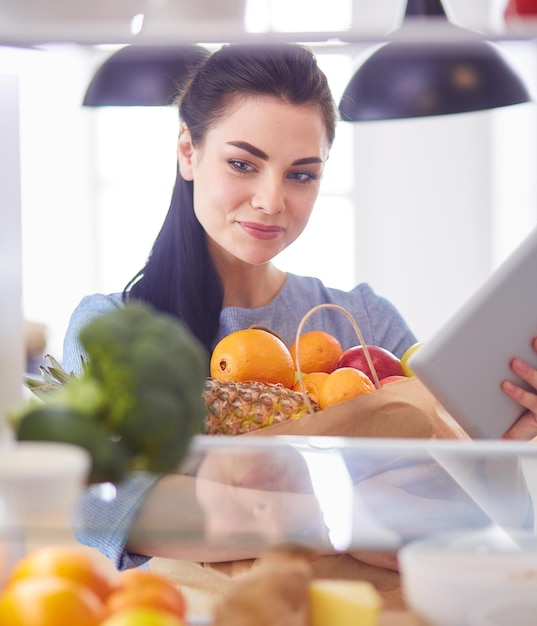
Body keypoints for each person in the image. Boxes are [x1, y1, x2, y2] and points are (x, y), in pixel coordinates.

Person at [63, 42, 537, 616]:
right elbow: (104, 505)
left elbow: (454, 500)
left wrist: (499, 447)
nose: (271, 201)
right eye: (243, 164)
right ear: (188, 151)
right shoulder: (114, 327)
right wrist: (344, 517)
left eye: (301, 175)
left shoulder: (365, 319)